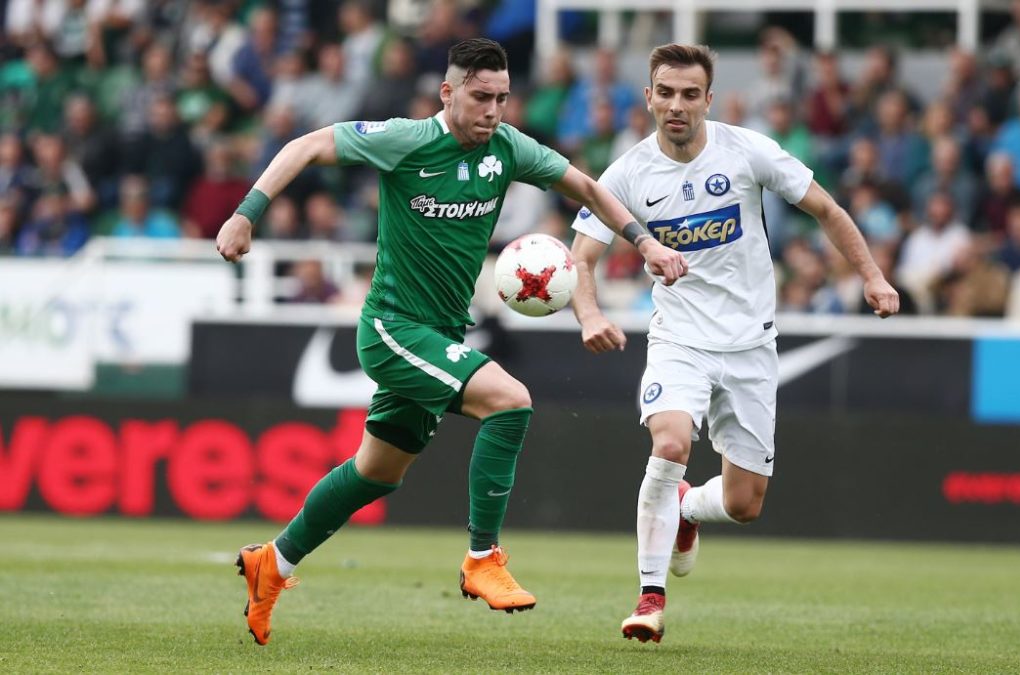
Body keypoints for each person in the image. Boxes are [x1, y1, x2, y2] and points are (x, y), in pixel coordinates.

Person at [214, 38, 687, 646]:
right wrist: (246, 213)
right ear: (448, 92)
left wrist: (644, 243)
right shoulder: (404, 141)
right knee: (510, 401)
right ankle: (482, 558)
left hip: (440, 333)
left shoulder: (508, 148)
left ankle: (272, 563)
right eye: (481, 96)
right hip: (392, 329)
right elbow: (304, 145)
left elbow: (589, 189)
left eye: (502, 98)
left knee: (375, 473)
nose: (493, 110)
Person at [569, 44, 899, 644]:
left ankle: (688, 508)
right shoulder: (626, 174)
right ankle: (649, 598)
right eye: (666, 92)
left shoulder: (747, 151)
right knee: (670, 442)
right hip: (679, 339)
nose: (676, 105)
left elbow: (826, 209)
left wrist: (872, 276)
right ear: (648, 97)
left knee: (745, 504)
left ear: (708, 100)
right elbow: (582, 257)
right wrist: (588, 314)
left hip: (751, 344)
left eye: (689, 94)